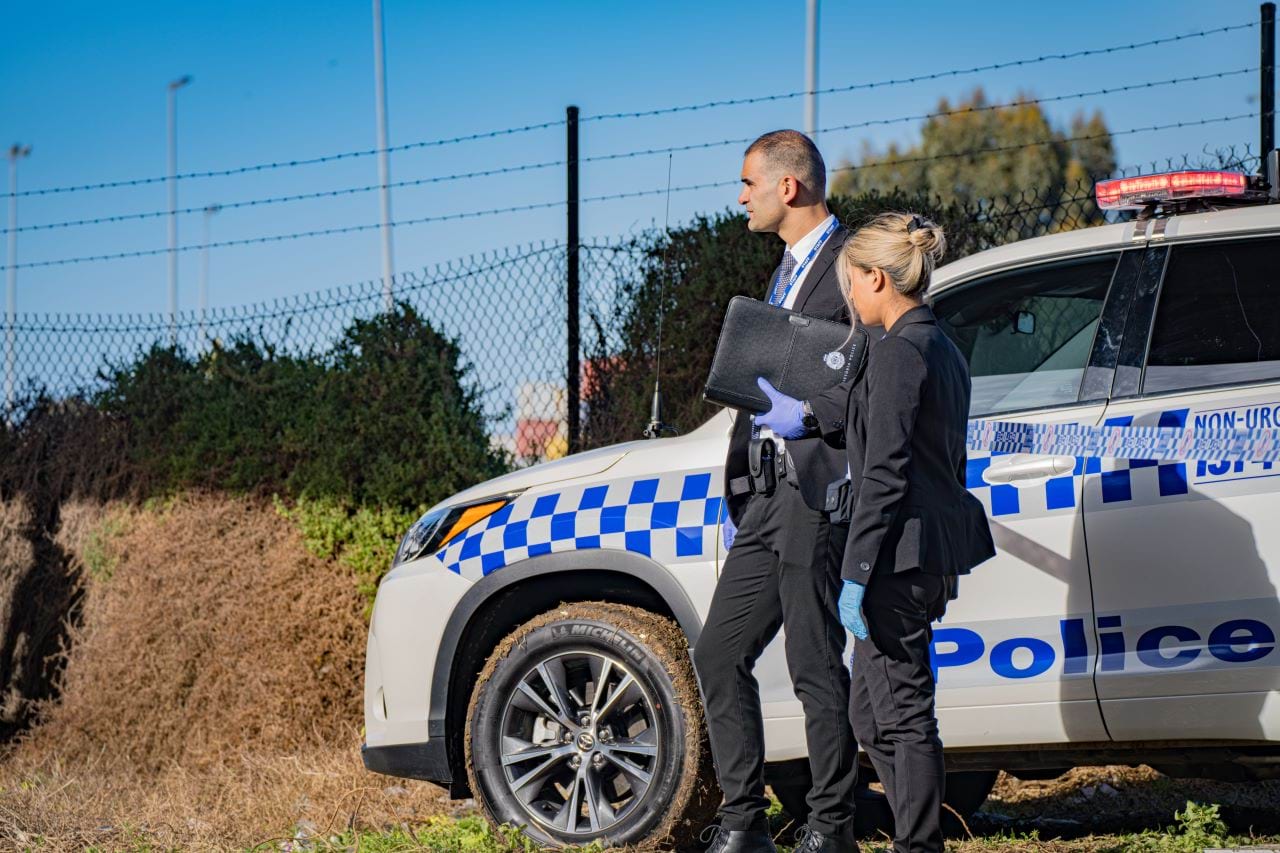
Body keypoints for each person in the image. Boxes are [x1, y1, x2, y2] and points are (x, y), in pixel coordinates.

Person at [693, 130, 859, 853]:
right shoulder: (785, 272)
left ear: (787, 187)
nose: (741, 197)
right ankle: (743, 822)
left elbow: (869, 373)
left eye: (748, 183)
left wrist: (813, 416)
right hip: (766, 494)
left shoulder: (853, 264)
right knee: (717, 652)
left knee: (814, 663)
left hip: (815, 490)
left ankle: (831, 826)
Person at [835, 212, 995, 853]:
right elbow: (947, 465)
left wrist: (855, 571)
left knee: (901, 713)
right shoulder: (943, 347)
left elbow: (886, 472)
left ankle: (920, 845)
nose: (848, 296)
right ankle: (914, 835)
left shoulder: (901, 352)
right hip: (921, 553)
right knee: (869, 714)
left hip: (894, 559)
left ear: (877, 277)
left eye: (851, 282)